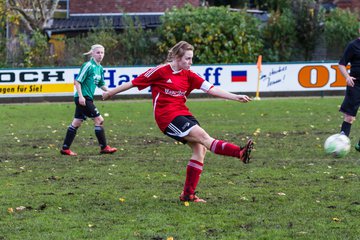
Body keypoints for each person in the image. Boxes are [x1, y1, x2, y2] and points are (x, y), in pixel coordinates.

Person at [103, 41, 253, 202]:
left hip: (182, 113)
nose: (190, 62)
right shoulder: (160, 71)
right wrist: (111, 92)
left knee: (200, 149)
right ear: (176, 57)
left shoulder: (189, 74)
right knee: (204, 138)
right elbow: (133, 83)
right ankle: (239, 152)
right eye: (187, 59)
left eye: (191, 59)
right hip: (167, 117)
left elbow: (212, 89)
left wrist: (235, 96)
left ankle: (188, 195)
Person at [60, 44, 117, 156]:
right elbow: (77, 81)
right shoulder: (88, 65)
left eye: (102, 53)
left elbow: (100, 83)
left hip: (87, 98)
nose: (100, 55)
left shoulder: (99, 68)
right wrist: (81, 97)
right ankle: (104, 147)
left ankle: (65, 149)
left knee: (76, 122)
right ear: (92, 53)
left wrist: (110, 91)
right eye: (98, 52)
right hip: (84, 98)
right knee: (99, 120)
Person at [338, 32, 360, 151]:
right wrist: (347, 77)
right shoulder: (353, 45)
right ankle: (340, 145)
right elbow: (341, 64)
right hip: (355, 85)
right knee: (349, 117)